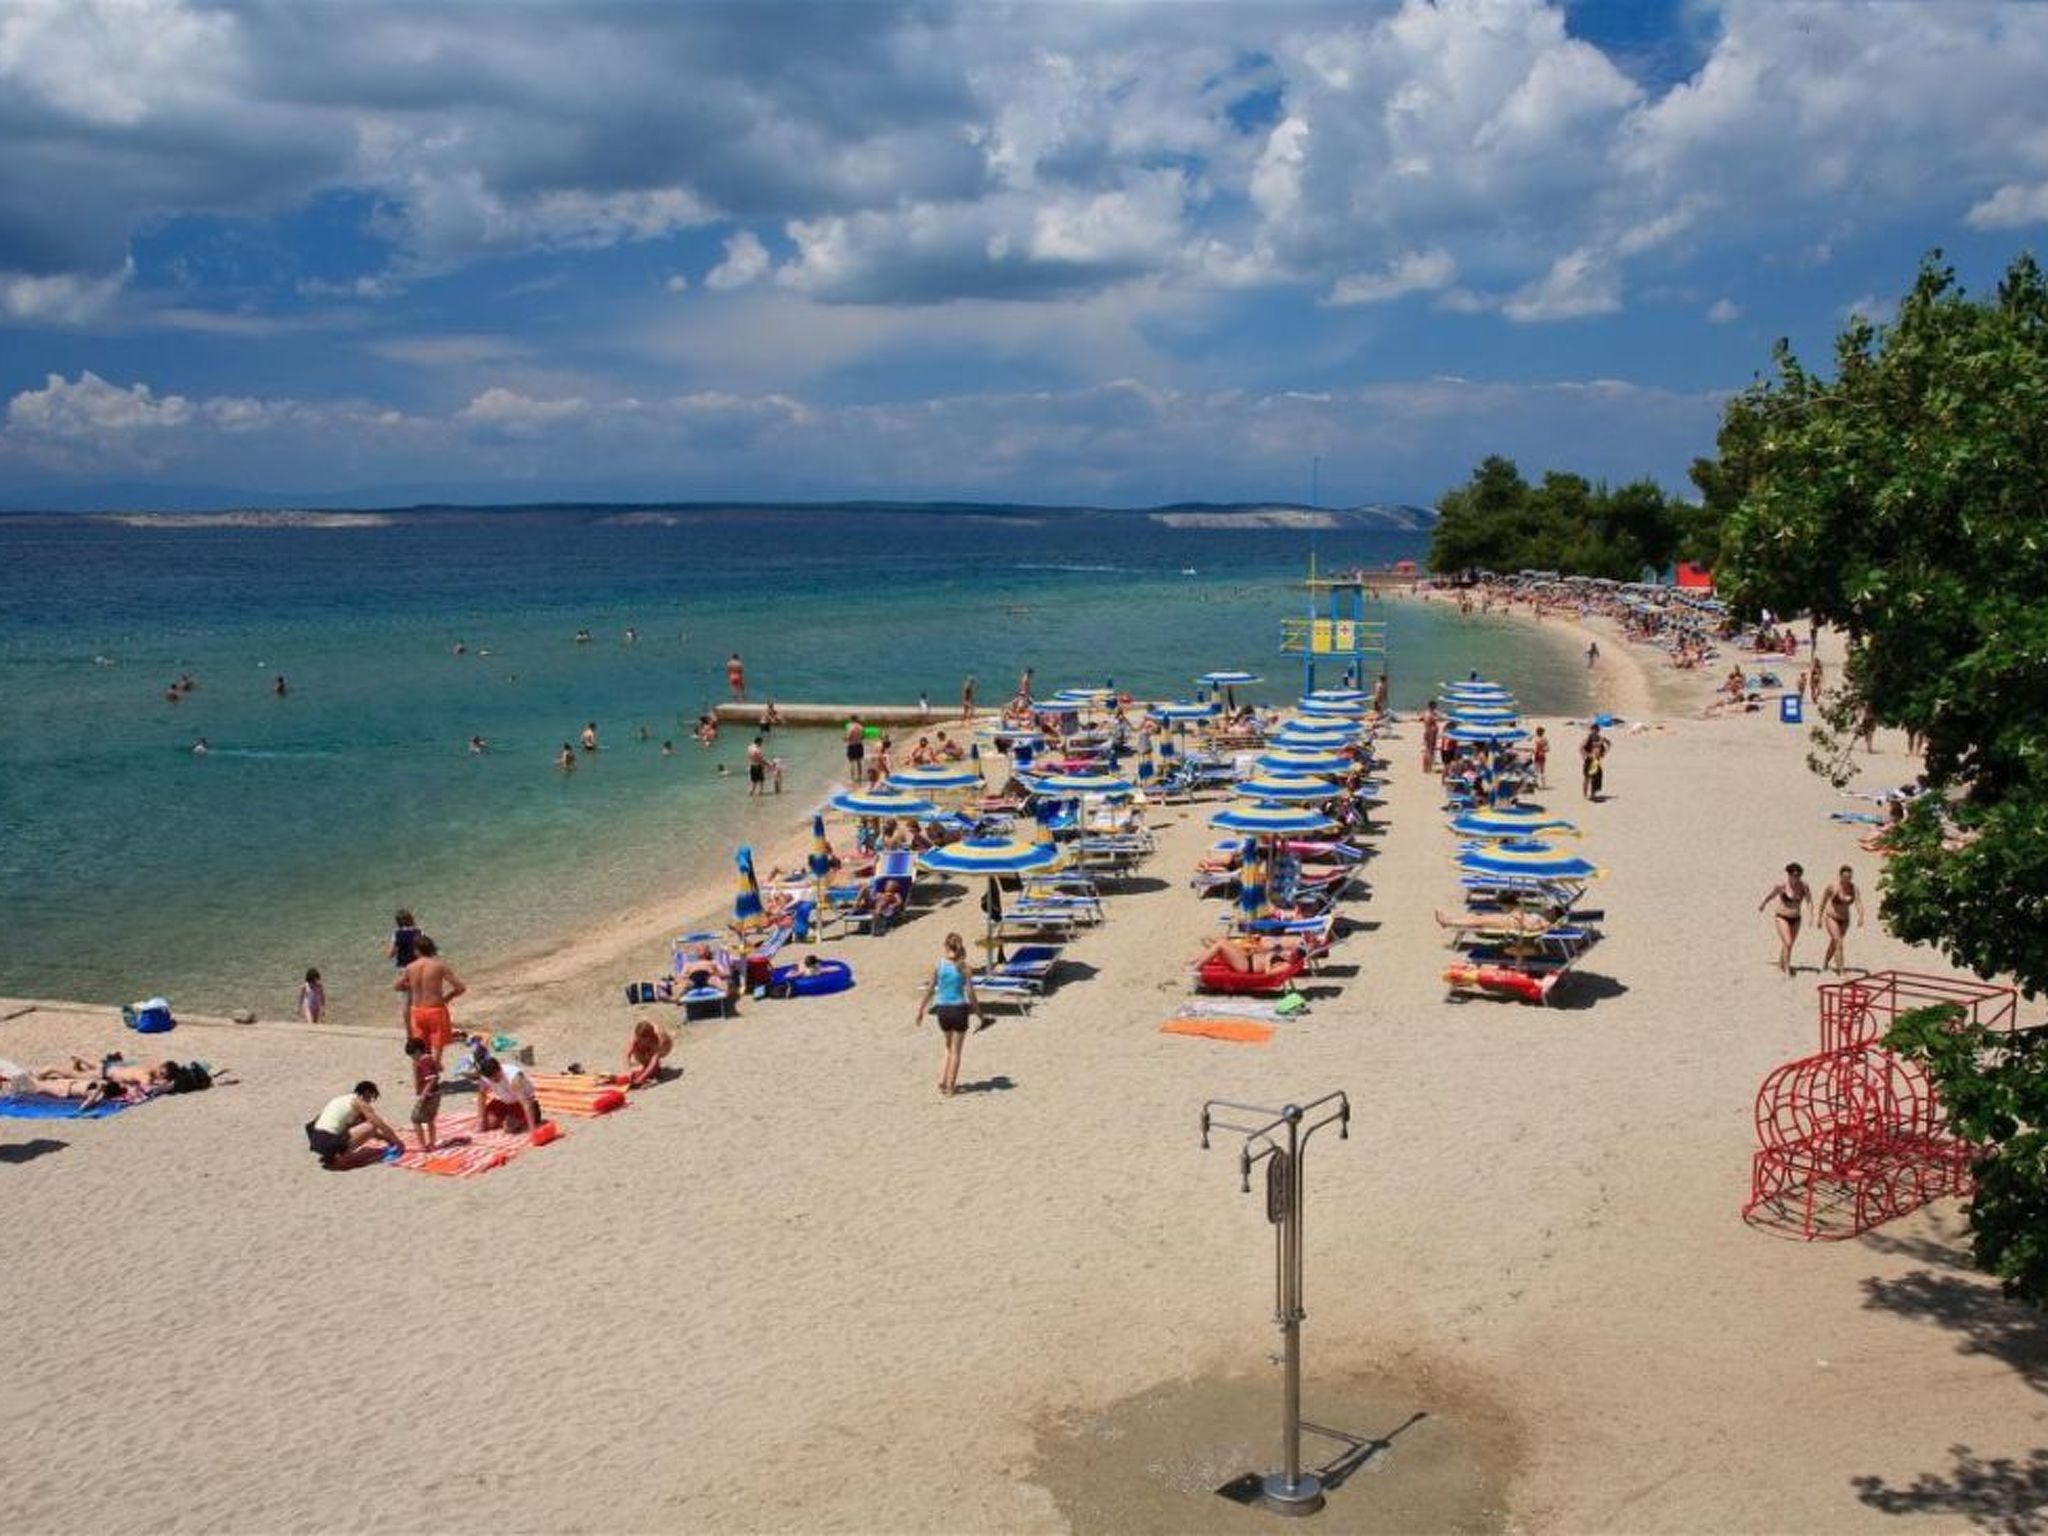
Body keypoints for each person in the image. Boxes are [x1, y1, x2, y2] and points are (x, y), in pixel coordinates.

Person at [914, 933, 986, 1097]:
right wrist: (980, 1014)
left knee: (947, 1047)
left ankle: (943, 1081)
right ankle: (951, 1087)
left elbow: (930, 989)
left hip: (943, 1011)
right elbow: (971, 995)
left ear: (946, 947)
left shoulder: (939, 965)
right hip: (959, 1010)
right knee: (956, 1051)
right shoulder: (965, 968)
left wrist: (921, 1011)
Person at [396, 935, 465, 1064]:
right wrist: (447, 997)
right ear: (432, 950)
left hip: (418, 1011)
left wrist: (414, 986)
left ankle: (425, 1072)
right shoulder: (439, 966)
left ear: (416, 950)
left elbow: (397, 986)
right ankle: (435, 1071)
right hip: (436, 1010)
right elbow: (460, 988)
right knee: (437, 1046)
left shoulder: (410, 967)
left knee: (422, 1045)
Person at [305, 1081, 404, 1170]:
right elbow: (379, 1124)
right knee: (371, 1126)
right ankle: (338, 1158)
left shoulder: (339, 1099)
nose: (370, 1102)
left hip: (315, 1140)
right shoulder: (359, 1103)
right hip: (329, 1141)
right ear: (366, 1093)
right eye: (371, 1098)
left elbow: (317, 1121)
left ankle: (331, 1156)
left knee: (357, 1125)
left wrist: (385, 1139)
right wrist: (397, 1141)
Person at [1758, 862, 1813, 976]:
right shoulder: (1781, 885)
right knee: (1787, 942)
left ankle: (1781, 963)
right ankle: (1787, 969)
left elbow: (1809, 901)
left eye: (1798, 875)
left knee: (1789, 943)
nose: (1796, 878)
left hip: (1796, 918)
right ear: (1789, 875)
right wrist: (1764, 903)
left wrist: (1811, 915)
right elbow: (1772, 895)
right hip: (1782, 916)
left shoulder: (1804, 886)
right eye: (1794, 875)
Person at [474, 1054, 542, 1134]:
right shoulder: (485, 1077)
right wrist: (481, 1119)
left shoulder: (514, 1077)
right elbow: (481, 1095)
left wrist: (532, 1130)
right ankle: (508, 1118)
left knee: (510, 1128)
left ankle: (518, 1118)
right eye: (491, 1078)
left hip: (521, 1103)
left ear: (500, 1069)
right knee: (489, 1123)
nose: (494, 1080)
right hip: (504, 1102)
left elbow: (525, 1103)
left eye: (496, 1076)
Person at [1820, 865, 1865, 975]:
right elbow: (1823, 902)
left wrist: (1861, 916)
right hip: (1832, 917)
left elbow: (1858, 902)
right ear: (1840, 876)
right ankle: (1841, 971)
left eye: (1849, 877)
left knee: (1834, 943)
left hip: (1845, 920)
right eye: (1845, 877)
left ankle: (1825, 961)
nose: (1847, 879)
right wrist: (1819, 917)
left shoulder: (1854, 888)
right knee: (1838, 942)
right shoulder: (1832, 887)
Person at [405, 1037, 442, 1151]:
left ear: (417, 1052)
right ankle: (432, 1143)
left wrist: (423, 1094)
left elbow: (433, 1078)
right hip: (436, 1093)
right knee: (430, 1119)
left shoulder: (423, 1061)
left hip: (429, 1095)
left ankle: (422, 1145)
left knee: (415, 1119)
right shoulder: (429, 1058)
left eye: (412, 1055)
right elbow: (438, 1070)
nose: (412, 1058)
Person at [387, 908, 421, 1029]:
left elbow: (391, 954)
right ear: (411, 919)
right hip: (418, 968)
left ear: (398, 922)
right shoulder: (419, 932)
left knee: (405, 1002)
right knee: (418, 1000)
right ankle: (420, 1028)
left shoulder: (397, 934)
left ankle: (409, 1031)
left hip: (404, 969)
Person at [622, 1019, 674, 1089]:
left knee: (652, 1057)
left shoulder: (659, 1039)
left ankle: (654, 1071)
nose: (639, 1041)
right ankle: (648, 1069)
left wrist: (641, 1079)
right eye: (638, 1039)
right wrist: (628, 1072)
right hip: (649, 1037)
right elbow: (626, 1054)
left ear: (648, 1038)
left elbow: (654, 1060)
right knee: (637, 1048)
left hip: (666, 1046)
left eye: (641, 1040)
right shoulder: (636, 1038)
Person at [844, 715, 866, 785]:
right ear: (857, 719)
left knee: (851, 763)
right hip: (859, 745)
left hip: (852, 746)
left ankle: (852, 779)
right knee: (859, 762)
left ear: (851, 720)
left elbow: (848, 737)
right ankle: (859, 777)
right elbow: (863, 737)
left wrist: (844, 739)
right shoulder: (861, 727)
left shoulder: (850, 728)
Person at [1419, 702, 1440, 772]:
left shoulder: (1426, 713)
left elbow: (1421, 718)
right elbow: (1429, 722)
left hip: (1428, 732)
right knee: (1430, 750)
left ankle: (1426, 768)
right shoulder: (1430, 715)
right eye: (1435, 707)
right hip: (1431, 733)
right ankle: (1428, 768)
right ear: (1433, 707)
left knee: (1428, 750)